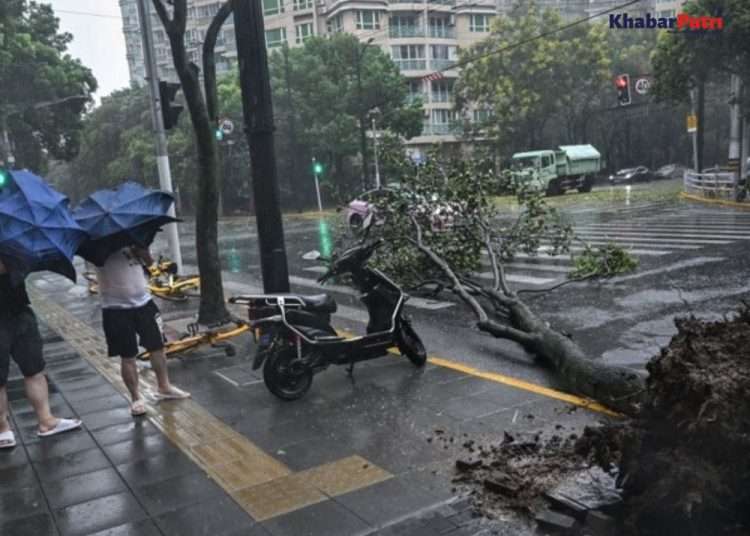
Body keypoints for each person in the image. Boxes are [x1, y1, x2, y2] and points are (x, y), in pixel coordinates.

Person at [96, 246, 189, 416]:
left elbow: (150, 263)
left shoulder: (134, 237)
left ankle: (164, 386)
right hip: (115, 309)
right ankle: (136, 398)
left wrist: (142, 251)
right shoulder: (97, 245)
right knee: (127, 355)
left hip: (144, 303)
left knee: (157, 346)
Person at [0, 259, 81, 449]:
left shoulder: (11, 243)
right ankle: (2, 428)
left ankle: (46, 420)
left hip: (20, 313)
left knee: (35, 369)